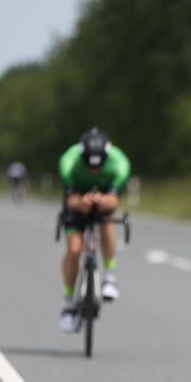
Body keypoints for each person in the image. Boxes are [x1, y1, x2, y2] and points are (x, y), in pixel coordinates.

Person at [58, 128, 131, 332]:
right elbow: (70, 199)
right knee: (74, 249)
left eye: (98, 167)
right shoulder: (69, 162)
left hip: (104, 198)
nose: (93, 171)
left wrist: (103, 200)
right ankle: (70, 301)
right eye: (89, 166)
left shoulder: (120, 163)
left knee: (106, 221)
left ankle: (110, 277)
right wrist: (81, 203)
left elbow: (114, 200)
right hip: (77, 200)